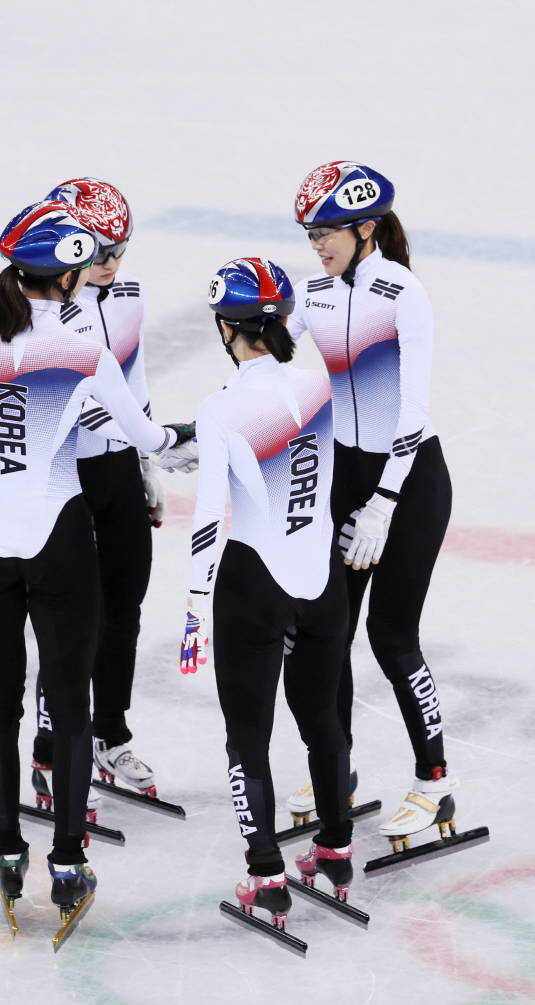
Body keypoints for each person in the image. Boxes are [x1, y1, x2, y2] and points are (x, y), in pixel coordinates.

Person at [0, 198, 195, 920]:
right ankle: (68, 861)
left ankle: (5, 848)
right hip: (58, 542)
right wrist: (195, 431)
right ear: (69, 277)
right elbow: (143, 434)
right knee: (71, 708)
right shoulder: (85, 343)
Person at [286, 161, 457, 846]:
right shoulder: (317, 289)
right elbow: (270, 347)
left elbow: (412, 411)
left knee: (392, 638)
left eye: (327, 230)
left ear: (366, 227)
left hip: (408, 484)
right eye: (309, 232)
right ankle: (338, 770)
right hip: (344, 475)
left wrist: (385, 501)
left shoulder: (403, 293)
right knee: (326, 632)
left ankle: (436, 781)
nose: (317, 243)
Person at [180, 258, 354, 930]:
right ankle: (335, 851)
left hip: (254, 584)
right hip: (322, 583)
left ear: (229, 329)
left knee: (247, 737)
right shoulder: (318, 385)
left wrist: (197, 601)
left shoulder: (220, 406)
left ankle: (266, 874)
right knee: (323, 723)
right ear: (282, 322)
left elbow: (206, 514)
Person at [26, 178, 196, 817]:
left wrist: (147, 462)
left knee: (124, 605)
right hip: (66, 477)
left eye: (120, 249)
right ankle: (48, 748)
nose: (110, 264)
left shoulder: (128, 293)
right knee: (70, 622)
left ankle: (110, 734)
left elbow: (136, 378)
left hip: (119, 468)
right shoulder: (38, 309)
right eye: (98, 250)